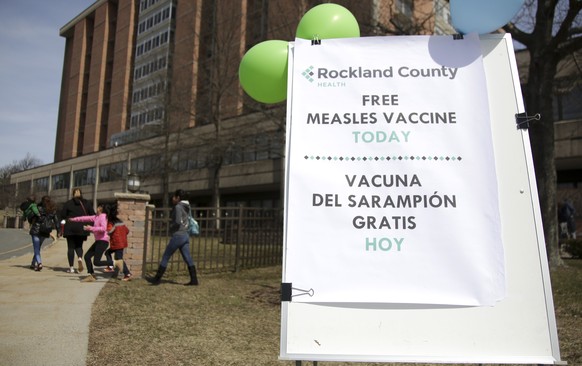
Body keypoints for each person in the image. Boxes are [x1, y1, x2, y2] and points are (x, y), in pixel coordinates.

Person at [147, 189, 199, 286]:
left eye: (174, 197)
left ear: (178, 198)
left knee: (166, 256)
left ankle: (156, 279)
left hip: (178, 235)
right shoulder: (187, 206)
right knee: (187, 258)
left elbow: (178, 221)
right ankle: (194, 280)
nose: (172, 199)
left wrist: (170, 227)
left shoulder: (178, 207)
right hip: (185, 235)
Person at [69, 203, 111, 282]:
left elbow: (103, 228)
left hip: (103, 241)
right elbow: (85, 218)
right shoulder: (96, 217)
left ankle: (114, 263)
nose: (96, 208)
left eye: (98, 206)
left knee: (96, 262)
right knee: (87, 256)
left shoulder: (103, 216)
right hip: (98, 241)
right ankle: (91, 275)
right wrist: (74, 219)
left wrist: (90, 228)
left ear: (101, 209)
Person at [60, 188, 95, 273]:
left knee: (70, 247)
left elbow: (63, 215)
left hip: (70, 227)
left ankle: (71, 268)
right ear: (81, 194)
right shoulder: (86, 203)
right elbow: (92, 214)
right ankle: (79, 257)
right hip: (81, 227)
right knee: (79, 245)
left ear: (73, 194)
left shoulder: (68, 203)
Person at [29, 196, 60, 271]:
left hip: (36, 229)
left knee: (36, 248)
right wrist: (58, 231)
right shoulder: (52, 210)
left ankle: (39, 263)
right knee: (38, 247)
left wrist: (32, 222)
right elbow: (56, 221)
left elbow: (30, 217)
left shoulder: (37, 208)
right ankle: (33, 263)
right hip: (45, 231)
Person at [103, 202, 133, 281]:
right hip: (122, 243)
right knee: (109, 253)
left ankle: (127, 273)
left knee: (118, 259)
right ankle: (111, 266)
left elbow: (109, 231)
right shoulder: (120, 221)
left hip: (117, 244)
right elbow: (127, 231)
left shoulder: (111, 222)